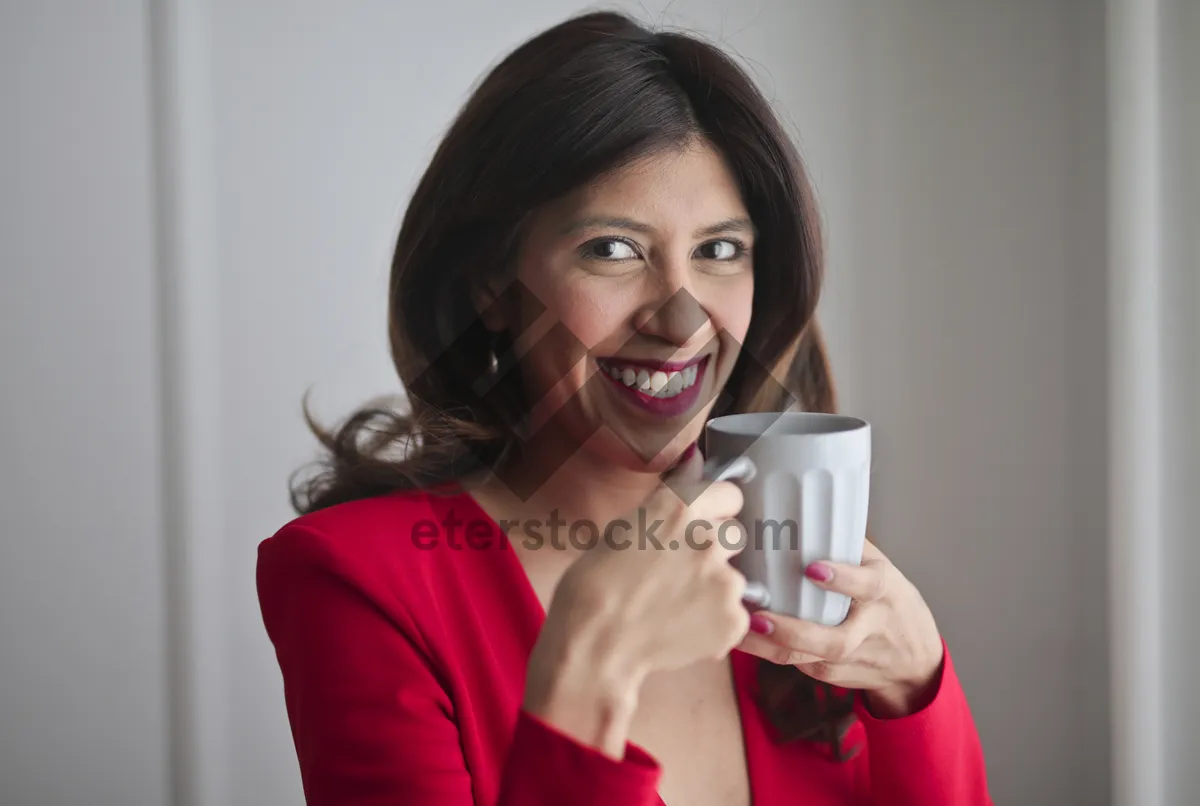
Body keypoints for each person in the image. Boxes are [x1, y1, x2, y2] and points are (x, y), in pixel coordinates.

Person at [256, 10, 992, 806]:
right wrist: (582, 673)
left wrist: (920, 683)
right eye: (612, 249)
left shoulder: (794, 564)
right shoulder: (361, 582)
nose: (680, 321)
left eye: (719, 250)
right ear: (492, 287)